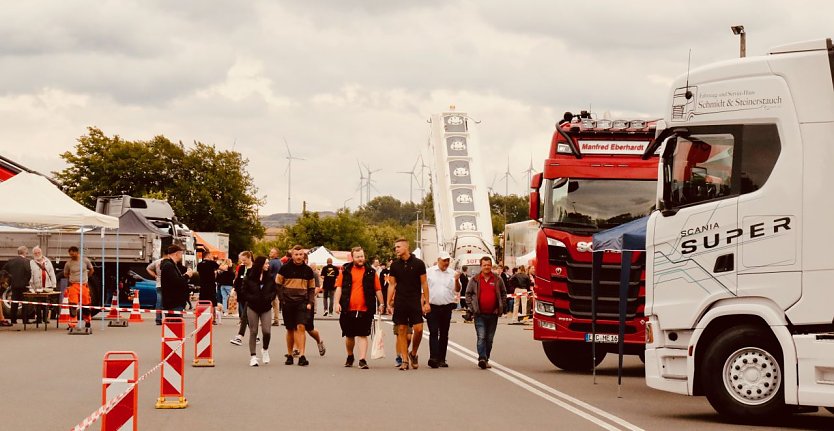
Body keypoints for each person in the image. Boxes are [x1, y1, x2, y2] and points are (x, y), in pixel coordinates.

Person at [334, 246, 384, 369]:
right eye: (358, 257)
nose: (360, 259)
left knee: (363, 334)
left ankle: (362, 359)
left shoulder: (371, 272)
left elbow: (377, 289)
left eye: (362, 256)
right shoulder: (345, 270)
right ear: (353, 257)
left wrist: (382, 303)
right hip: (348, 308)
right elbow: (339, 288)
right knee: (349, 335)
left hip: (365, 308)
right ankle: (350, 355)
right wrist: (336, 303)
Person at [387, 238, 429, 371]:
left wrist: (427, 302)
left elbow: (424, 283)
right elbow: (392, 284)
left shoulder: (418, 263)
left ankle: (413, 353)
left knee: (419, 329)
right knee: (401, 330)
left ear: (406, 247)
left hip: (415, 300)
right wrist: (388, 302)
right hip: (400, 300)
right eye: (395, 247)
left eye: (398, 247)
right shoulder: (394, 265)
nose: (396, 249)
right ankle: (404, 360)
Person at [276, 245, 316, 366]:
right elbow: (278, 284)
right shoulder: (284, 268)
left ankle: (302, 355)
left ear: (304, 255)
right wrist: (282, 299)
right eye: (296, 254)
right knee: (289, 329)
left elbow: (311, 288)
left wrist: (310, 302)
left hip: (302, 302)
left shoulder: (308, 270)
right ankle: (289, 355)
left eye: (301, 254)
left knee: (301, 327)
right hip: (287, 302)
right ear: (292, 255)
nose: (299, 257)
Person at [466, 256, 508, 369]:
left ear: (491, 266)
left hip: (493, 314)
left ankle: (486, 358)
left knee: (489, 339)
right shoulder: (475, 279)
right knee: (481, 336)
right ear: (481, 266)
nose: (486, 267)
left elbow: (504, 293)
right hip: (479, 314)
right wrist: (472, 307)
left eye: (488, 265)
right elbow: (468, 294)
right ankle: (482, 358)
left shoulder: (498, 279)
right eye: (484, 265)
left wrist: (501, 306)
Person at [426, 251, 461, 368]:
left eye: (448, 261)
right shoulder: (430, 272)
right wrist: (424, 303)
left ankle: (442, 358)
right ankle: (433, 357)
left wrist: (456, 280)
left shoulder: (452, 273)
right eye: (444, 260)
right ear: (439, 260)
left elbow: (457, 289)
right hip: (433, 306)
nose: (446, 263)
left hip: (446, 306)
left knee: (444, 333)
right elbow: (424, 288)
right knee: (434, 332)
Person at [243, 256, 277, 366]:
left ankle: (265, 349)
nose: (268, 265)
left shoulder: (270, 276)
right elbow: (243, 290)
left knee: (267, 331)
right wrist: (250, 298)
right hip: (252, 306)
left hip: (266, 307)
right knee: (253, 331)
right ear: (260, 265)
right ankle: (253, 357)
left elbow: (274, 290)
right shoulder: (249, 275)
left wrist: (270, 297)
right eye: (266, 263)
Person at [64, 246, 94, 328]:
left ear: (77, 252)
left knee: (86, 304)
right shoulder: (68, 263)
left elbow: (91, 269)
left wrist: (86, 277)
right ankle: (72, 324)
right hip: (73, 286)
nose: (72, 256)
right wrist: (71, 278)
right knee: (73, 305)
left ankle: (87, 321)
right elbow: (65, 273)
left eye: (73, 254)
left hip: (83, 285)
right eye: (70, 255)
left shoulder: (85, 260)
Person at [160, 245, 194, 318]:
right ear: (176, 254)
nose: (181, 256)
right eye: (181, 254)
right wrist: (187, 275)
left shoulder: (172, 265)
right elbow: (176, 282)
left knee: (174, 325)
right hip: (173, 302)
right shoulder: (169, 266)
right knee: (175, 325)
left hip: (175, 301)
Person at [2, 246, 31, 325]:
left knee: (14, 302)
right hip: (24, 285)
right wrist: (27, 281)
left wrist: (9, 279)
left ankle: (13, 320)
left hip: (14, 285)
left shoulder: (11, 261)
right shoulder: (27, 261)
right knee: (25, 303)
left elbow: (4, 270)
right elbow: (29, 272)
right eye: (27, 251)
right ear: (24, 252)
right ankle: (25, 320)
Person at [230, 251, 254, 345]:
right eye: (241, 260)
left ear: (249, 258)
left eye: (244, 260)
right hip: (242, 294)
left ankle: (240, 336)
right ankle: (255, 335)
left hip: (251, 295)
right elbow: (237, 280)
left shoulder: (254, 268)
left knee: (244, 315)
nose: (243, 262)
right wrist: (234, 289)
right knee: (246, 316)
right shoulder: (242, 267)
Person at [29, 246, 57, 323]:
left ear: (41, 253)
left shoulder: (47, 261)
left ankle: (45, 318)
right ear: (33, 254)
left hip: (47, 285)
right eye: (35, 253)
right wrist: (31, 286)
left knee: (46, 302)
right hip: (37, 286)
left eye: (38, 252)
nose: (37, 254)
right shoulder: (31, 262)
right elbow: (30, 274)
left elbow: (52, 273)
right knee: (37, 303)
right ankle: (38, 319)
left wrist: (54, 285)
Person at [145, 250, 168, 325]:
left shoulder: (157, 262)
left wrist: (155, 275)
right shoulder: (169, 262)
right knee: (168, 302)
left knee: (159, 303)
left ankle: (158, 319)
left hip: (158, 284)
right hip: (167, 285)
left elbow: (148, 268)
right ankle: (168, 318)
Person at [268, 248, 283, 326]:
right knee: (276, 302)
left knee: (269, 302)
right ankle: (276, 319)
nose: (270, 253)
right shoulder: (280, 262)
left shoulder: (271, 262)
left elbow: (268, 273)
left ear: (276, 254)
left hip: (271, 284)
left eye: (272, 252)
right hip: (279, 284)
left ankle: (270, 319)